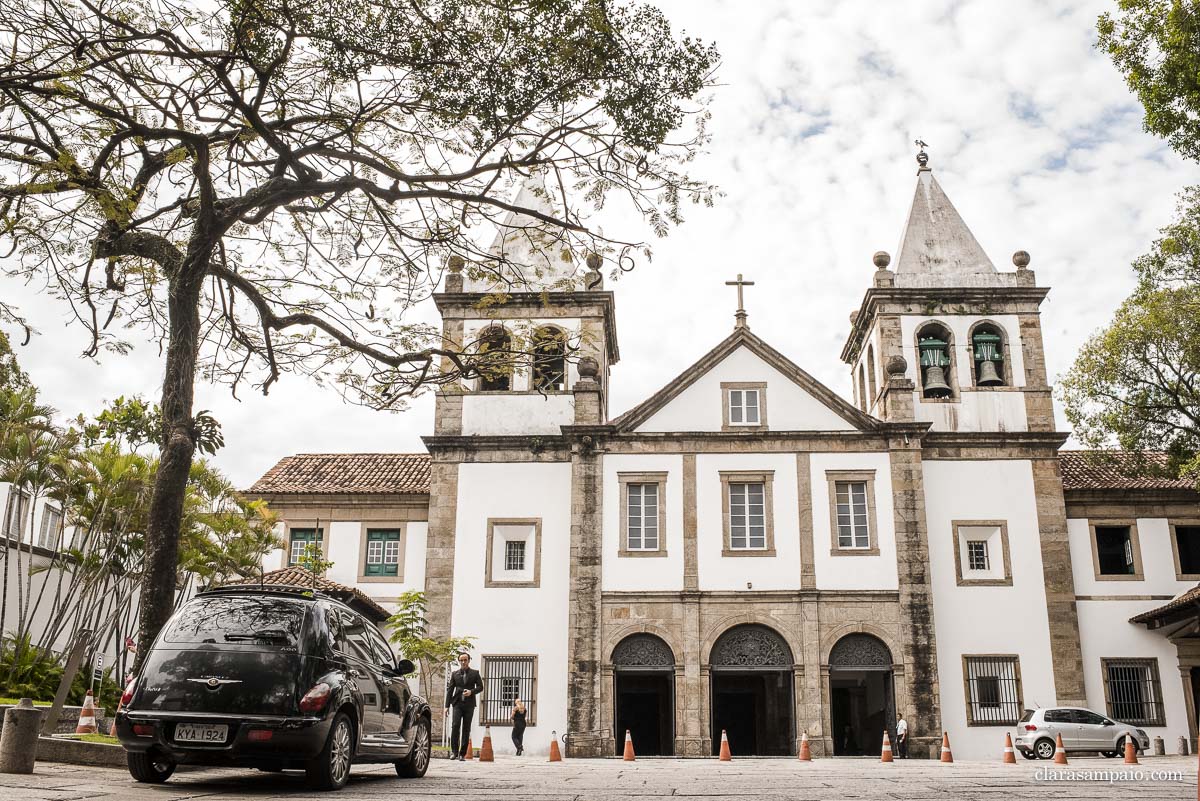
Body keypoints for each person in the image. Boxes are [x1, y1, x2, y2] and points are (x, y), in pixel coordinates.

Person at [444, 652, 484, 761]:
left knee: (466, 728)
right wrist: (446, 706)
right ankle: (454, 752)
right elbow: (450, 690)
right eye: (461, 660)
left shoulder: (475, 673)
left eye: (465, 660)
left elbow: (481, 687)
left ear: (469, 660)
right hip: (457, 703)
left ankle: (462, 754)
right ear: (459, 661)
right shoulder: (454, 674)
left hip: (469, 704)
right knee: (455, 726)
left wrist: (471, 692)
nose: (463, 662)